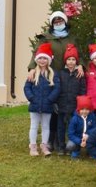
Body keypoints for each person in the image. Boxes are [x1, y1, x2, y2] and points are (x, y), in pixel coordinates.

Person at [28, 11, 84, 151]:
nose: (58, 23)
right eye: (55, 22)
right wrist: (32, 68)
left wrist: (81, 65)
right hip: (50, 75)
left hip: (68, 75)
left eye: (61, 21)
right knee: (52, 107)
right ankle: (51, 140)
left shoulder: (72, 38)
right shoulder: (46, 38)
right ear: (52, 24)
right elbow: (37, 53)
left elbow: (79, 54)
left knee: (65, 106)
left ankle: (67, 139)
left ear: (65, 22)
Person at [23, 42, 61, 156]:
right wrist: (31, 98)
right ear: (37, 60)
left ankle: (44, 145)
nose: (42, 61)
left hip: (47, 105)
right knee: (34, 126)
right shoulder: (33, 74)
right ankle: (33, 146)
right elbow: (27, 87)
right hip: (35, 104)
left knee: (46, 126)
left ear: (49, 60)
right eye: (40, 58)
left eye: (45, 58)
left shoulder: (53, 74)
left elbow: (57, 88)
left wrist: (50, 99)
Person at [55, 43, 87, 155]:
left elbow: (83, 90)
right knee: (61, 127)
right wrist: (56, 102)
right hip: (62, 105)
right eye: (69, 59)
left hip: (74, 106)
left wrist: (81, 104)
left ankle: (71, 147)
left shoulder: (80, 74)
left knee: (72, 127)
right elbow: (57, 89)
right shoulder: (60, 73)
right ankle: (60, 146)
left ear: (76, 61)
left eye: (73, 59)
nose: (71, 62)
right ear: (65, 61)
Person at [66, 95, 96, 159]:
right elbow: (70, 134)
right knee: (70, 145)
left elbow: (95, 128)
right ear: (78, 109)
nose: (84, 111)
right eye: (82, 109)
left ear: (90, 109)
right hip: (77, 138)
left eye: (87, 109)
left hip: (88, 137)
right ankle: (76, 151)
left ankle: (91, 152)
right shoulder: (74, 119)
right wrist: (80, 141)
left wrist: (88, 135)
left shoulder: (92, 116)